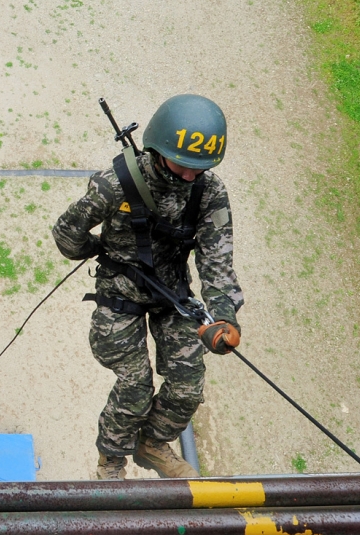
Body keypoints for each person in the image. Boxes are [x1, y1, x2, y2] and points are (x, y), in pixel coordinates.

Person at [51, 94, 244, 481]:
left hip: (171, 297)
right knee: (135, 386)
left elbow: (216, 258)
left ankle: (153, 444)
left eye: (198, 168)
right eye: (182, 165)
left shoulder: (209, 193)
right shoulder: (115, 185)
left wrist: (223, 316)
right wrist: (100, 251)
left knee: (188, 387)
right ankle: (112, 460)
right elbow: (67, 232)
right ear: (157, 151)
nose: (190, 176)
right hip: (119, 295)